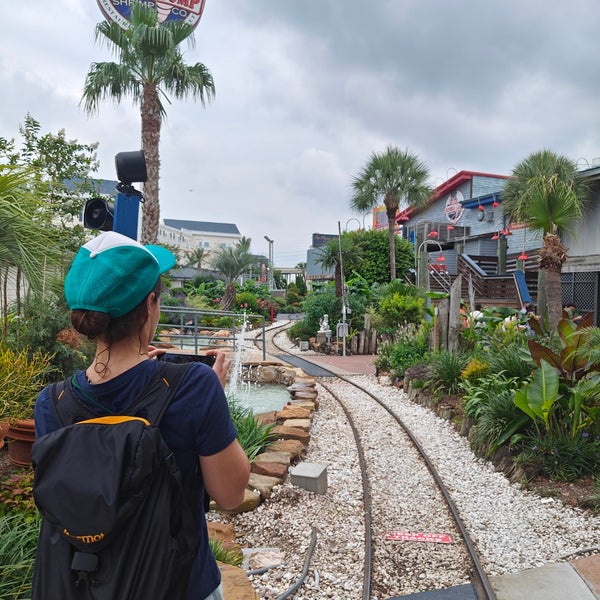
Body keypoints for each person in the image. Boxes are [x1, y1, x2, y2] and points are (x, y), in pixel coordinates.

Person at [33, 231, 250, 600]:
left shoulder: (51, 403)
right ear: (149, 305)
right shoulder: (194, 386)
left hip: (85, 584)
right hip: (181, 586)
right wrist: (212, 395)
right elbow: (230, 494)